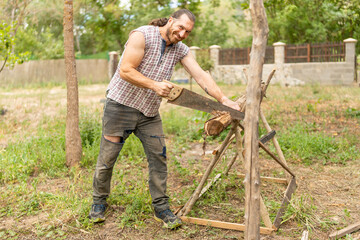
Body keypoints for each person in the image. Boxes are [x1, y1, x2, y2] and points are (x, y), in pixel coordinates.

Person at [89, 9, 240, 229]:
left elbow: (200, 75)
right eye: (180, 27)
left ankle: (161, 208)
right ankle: (98, 202)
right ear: (171, 21)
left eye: (187, 32)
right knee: (107, 158)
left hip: (148, 113)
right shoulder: (142, 35)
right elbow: (125, 70)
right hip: (120, 106)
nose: (182, 34)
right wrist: (154, 84)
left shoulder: (181, 49)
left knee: (158, 158)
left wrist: (223, 99)